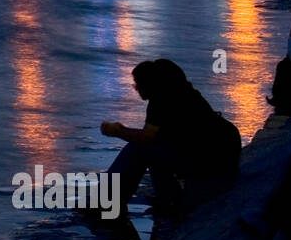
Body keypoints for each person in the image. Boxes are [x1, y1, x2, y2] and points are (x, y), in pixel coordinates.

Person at [97, 59, 241, 216]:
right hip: (226, 151)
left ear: (148, 84)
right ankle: (166, 199)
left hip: (212, 158)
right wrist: (123, 130)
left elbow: (146, 139)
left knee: (142, 150)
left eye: (137, 84)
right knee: (155, 149)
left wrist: (117, 131)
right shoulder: (185, 94)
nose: (136, 89)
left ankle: (108, 201)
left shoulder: (160, 100)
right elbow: (155, 137)